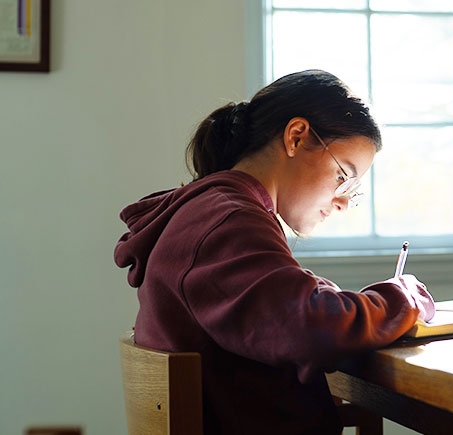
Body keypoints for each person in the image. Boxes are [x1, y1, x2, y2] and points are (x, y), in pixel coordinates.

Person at [114, 69, 435, 434]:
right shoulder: (226, 219)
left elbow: (282, 308)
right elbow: (310, 328)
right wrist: (403, 296)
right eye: (343, 176)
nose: (344, 202)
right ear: (296, 137)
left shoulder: (211, 212)